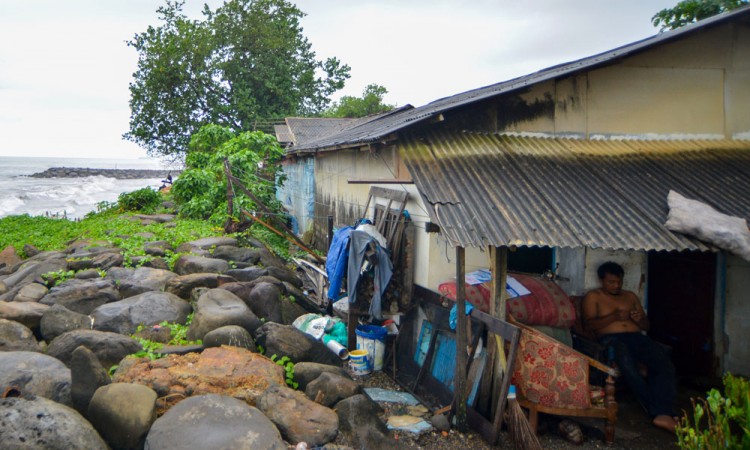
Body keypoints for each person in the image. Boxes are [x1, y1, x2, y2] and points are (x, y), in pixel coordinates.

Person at [582, 261, 677, 432]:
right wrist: (614, 317)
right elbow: (588, 326)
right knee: (629, 366)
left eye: (619, 281)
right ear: (602, 280)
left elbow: (646, 326)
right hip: (611, 340)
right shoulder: (594, 296)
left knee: (663, 361)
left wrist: (638, 319)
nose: (616, 285)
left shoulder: (630, 296)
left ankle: (665, 412)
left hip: (636, 338)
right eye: (611, 282)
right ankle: (657, 414)